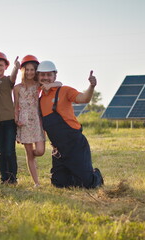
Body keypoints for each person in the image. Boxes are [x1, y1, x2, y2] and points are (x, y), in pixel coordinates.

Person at [37, 60, 104, 189]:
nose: (45, 78)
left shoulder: (65, 90)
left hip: (75, 144)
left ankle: (96, 175)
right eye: (42, 75)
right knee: (59, 183)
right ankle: (74, 175)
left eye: (49, 75)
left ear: (55, 76)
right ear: (38, 76)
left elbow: (84, 98)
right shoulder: (40, 99)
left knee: (87, 184)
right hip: (59, 149)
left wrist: (91, 86)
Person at [13, 55, 61, 187]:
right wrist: (16, 119)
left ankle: (31, 156)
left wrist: (49, 85)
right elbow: (15, 105)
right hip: (23, 121)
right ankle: (36, 182)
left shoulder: (38, 85)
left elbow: (59, 84)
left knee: (40, 151)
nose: (29, 72)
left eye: (32, 70)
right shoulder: (17, 88)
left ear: (36, 71)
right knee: (29, 153)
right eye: (26, 69)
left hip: (37, 121)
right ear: (23, 71)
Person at [0, 51, 19, 184]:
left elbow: (13, 77)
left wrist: (16, 68)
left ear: (5, 66)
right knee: (1, 151)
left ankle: (12, 178)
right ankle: (3, 178)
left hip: (9, 121)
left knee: (9, 150)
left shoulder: (7, 80)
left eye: (1, 65)